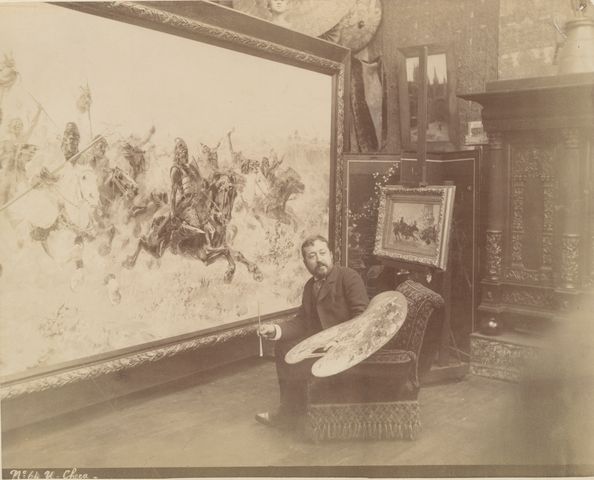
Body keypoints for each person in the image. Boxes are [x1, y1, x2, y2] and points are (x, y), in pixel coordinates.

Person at [255, 234, 369, 427]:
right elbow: (303, 321)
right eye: (312, 256)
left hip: (349, 345)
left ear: (332, 255)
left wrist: (340, 341)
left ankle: (298, 412)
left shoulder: (348, 277)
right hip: (323, 344)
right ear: (305, 262)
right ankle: (290, 412)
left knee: (298, 357)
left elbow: (362, 317)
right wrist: (274, 329)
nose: (319, 259)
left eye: (322, 253)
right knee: (283, 347)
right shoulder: (310, 286)